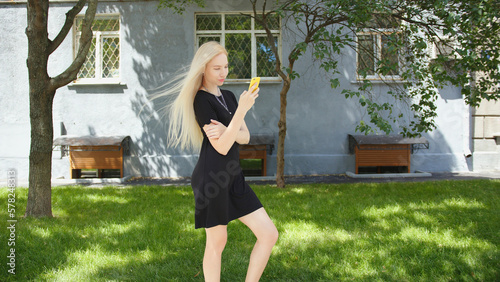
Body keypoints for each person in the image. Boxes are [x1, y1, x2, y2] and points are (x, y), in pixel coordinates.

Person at [162, 41, 278, 281]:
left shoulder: (229, 96)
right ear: (203, 69)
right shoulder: (201, 100)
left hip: (234, 177)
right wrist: (240, 114)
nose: (223, 72)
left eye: (225, 66)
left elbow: (245, 138)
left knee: (268, 234)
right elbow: (223, 146)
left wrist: (229, 125)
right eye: (217, 68)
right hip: (212, 178)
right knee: (217, 243)